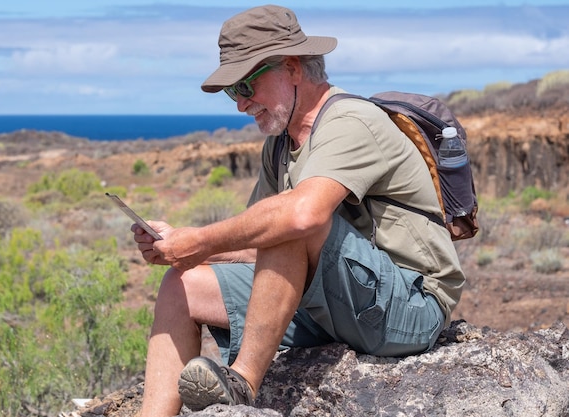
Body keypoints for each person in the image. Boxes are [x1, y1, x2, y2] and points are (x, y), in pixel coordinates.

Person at [131, 5, 465, 417]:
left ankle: (243, 383)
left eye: (246, 86)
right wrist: (182, 247)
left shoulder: (351, 121)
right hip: (336, 304)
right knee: (181, 285)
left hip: (410, 307)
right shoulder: (280, 144)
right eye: (233, 92)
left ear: (291, 68)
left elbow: (300, 219)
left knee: (290, 222)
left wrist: (199, 241)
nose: (241, 105)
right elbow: (258, 245)